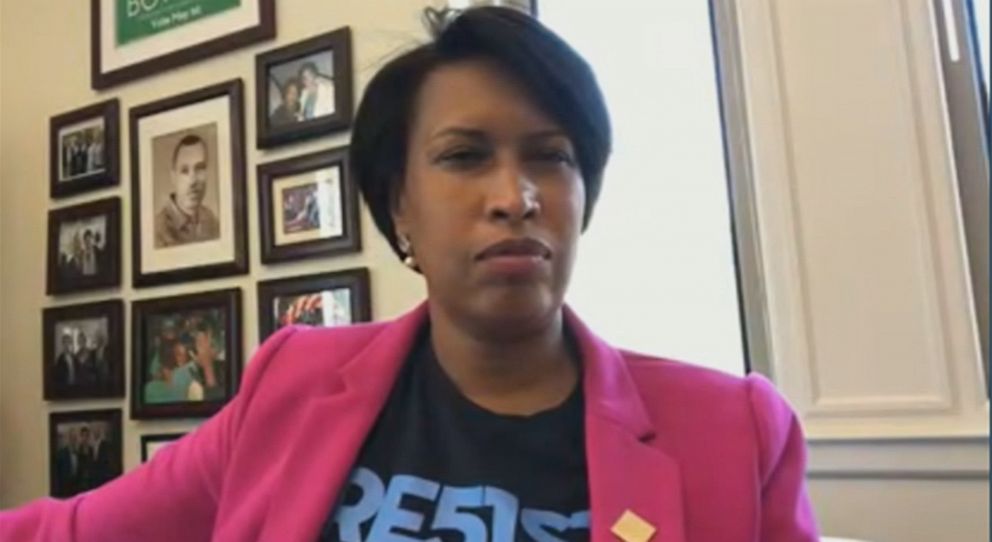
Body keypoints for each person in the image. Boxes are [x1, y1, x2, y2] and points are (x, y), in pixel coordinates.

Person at [0, 8, 818, 541]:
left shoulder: (734, 431)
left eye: (552, 158)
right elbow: (70, 533)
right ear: (399, 209)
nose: (516, 196)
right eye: (464, 157)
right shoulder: (292, 385)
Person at [153, 134, 220, 248]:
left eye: (200, 168)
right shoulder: (157, 231)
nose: (193, 181)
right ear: (173, 177)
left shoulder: (211, 220)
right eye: (184, 171)